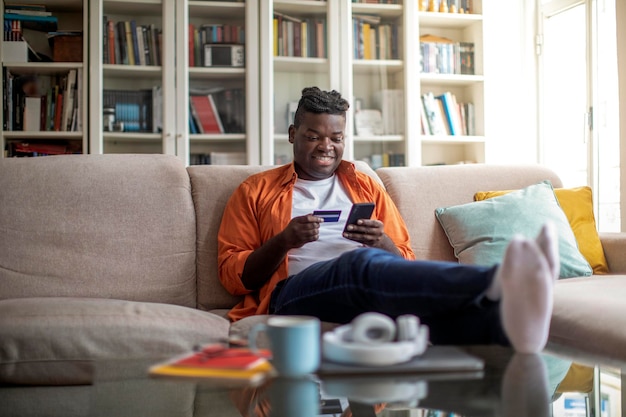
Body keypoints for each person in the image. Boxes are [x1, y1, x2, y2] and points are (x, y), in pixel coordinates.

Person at [218, 87, 558, 354]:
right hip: (290, 295)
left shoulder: (365, 185)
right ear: (293, 134)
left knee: (417, 315)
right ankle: (499, 280)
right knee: (358, 265)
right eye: (313, 136)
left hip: (364, 288)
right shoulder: (256, 191)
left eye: (336, 138)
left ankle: (511, 329)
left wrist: (382, 242)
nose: (326, 146)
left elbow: (403, 263)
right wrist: (284, 241)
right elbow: (234, 277)